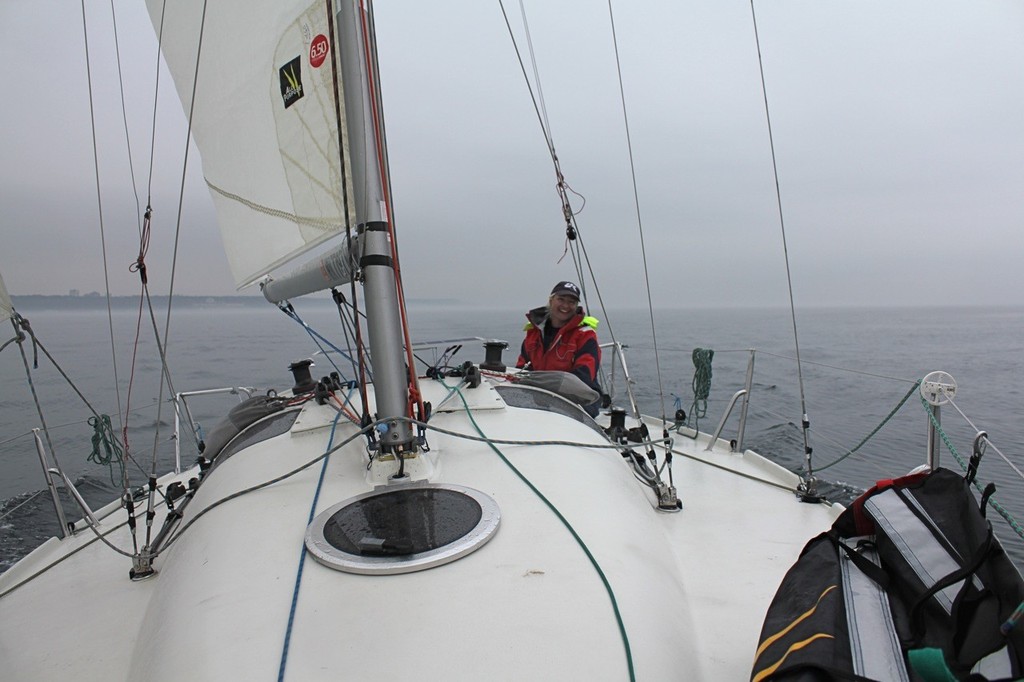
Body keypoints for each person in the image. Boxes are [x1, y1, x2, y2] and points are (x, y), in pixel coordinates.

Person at [516, 280, 602, 417]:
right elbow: (521, 369)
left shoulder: (585, 335)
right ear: (551, 300)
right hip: (538, 397)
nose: (565, 306)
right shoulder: (534, 333)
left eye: (571, 302)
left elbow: (584, 376)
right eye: (561, 299)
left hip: (578, 399)